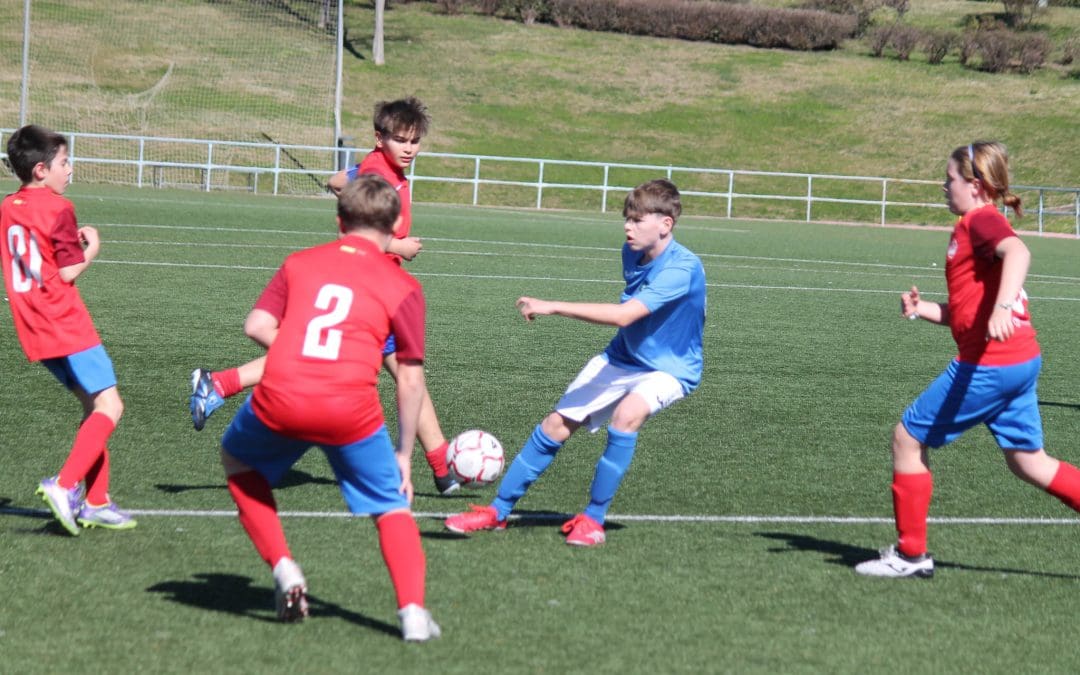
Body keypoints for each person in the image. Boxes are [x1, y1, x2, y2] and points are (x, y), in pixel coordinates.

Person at [190, 97, 461, 495]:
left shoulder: (376, 166)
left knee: (319, 355)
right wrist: (396, 246)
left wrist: (351, 188)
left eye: (415, 141)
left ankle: (218, 384)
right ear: (379, 137)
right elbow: (350, 233)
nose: (408, 148)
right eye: (400, 140)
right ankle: (442, 468)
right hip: (371, 292)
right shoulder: (378, 174)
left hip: (371, 287)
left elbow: (336, 182)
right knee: (404, 374)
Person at [217, 173, 440, 640]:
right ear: (396, 225)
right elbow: (411, 379)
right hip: (350, 408)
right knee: (390, 505)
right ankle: (413, 615)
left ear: (339, 220)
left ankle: (283, 568)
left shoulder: (300, 262)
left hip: (282, 394)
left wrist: (300, 351)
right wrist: (404, 454)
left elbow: (256, 325)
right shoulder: (404, 287)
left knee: (237, 458)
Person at [855, 141, 1080, 578]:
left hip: (991, 365)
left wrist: (1001, 306)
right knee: (1029, 462)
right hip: (1018, 361)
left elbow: (1019, 252)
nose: (944, 187)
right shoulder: (970, 226)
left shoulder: (982, 221)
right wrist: (923, 310)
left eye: (950, 179)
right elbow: (966, 314)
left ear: (975, 186)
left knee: (907, 438)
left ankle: (911, 556)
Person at [444, 179, 706, 546]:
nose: (628, 227)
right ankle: (498, 511)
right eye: (626, 219)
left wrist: (552, 305)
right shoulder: (631, 252)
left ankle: (593, 519)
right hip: (624, 356)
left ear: (666, 224)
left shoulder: (684, 269)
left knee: (627, 414)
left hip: (671, 369)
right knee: (555, 424)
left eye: (637, 220)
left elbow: (624, 315)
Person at [0, 124, 136, 534]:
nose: (70, 169)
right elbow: (69, 269)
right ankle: (64, 485)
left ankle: (95, 501)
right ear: (41, 169)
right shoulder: (60, 207)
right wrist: (91, 246)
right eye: (64, 162)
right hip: (64, 320)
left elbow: (33, 251)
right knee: (111, 407)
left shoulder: (8, 205)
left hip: (32, 323)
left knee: (92, 407)